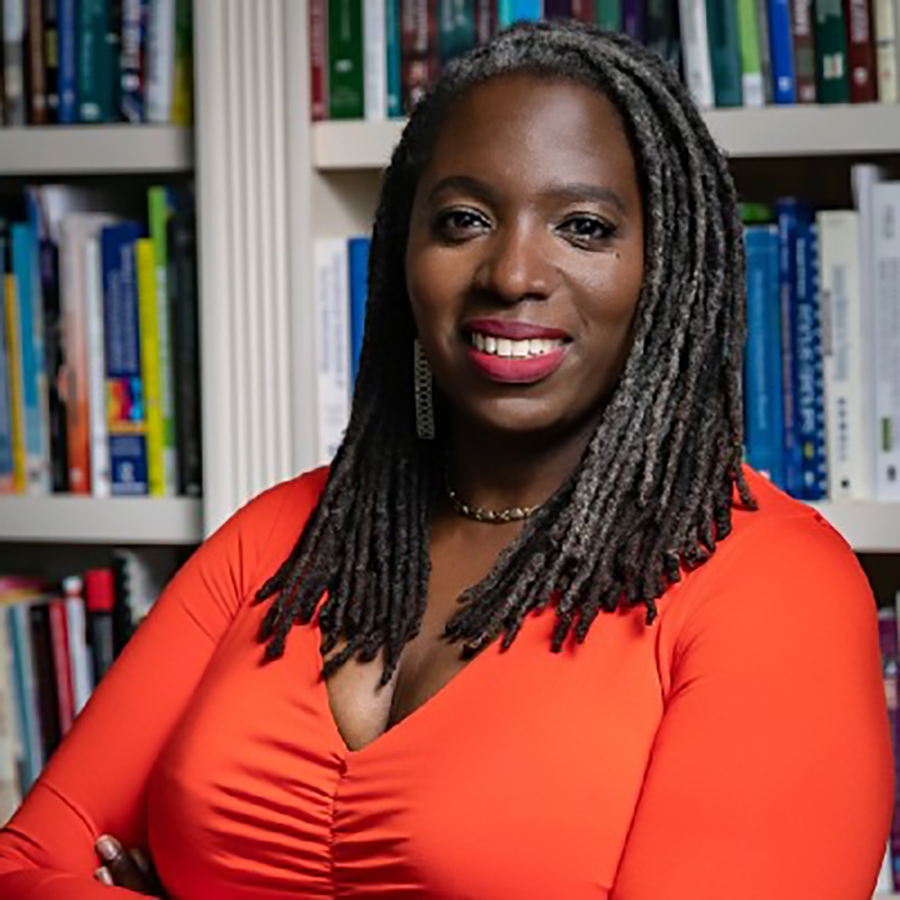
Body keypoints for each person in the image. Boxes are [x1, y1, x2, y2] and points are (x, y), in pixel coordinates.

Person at [0, 19, 892, 900]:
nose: (511, 273)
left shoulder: (773, 585)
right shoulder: (278, 537)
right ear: (404, 252)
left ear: (669, 270)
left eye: (583, 227)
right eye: (463, 219)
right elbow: (21, 867)